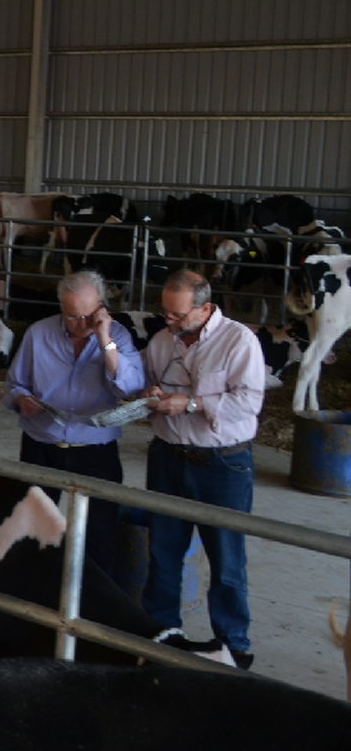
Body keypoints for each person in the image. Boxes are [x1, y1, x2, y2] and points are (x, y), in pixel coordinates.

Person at [140, 269, 264, 670]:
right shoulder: (161, 342)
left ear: (205, 308)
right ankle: (162, 631)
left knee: (226, 557)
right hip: (168, 456)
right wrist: (151, 395)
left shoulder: (238, 340)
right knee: (163, 549)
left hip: (223, 463)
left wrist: (191, 404)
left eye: (178, 315)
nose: (169, 322)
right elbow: (149, 382)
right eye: (165, 313)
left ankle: (233, 645)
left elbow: (248, 402)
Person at [2, 268, 144, 583]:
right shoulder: (38, 333)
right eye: (71, 317)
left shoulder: (118, 336)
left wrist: (105, 340)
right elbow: (13, 384)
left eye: (88, 316)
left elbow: (130, 389)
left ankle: (93, 608)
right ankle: (32, 594)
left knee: (99, 533)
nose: (81, 325)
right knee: (32, 526)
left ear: (102, 308)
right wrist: (20, 400)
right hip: (42, 445)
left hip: (95, 449)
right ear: (61, 309)